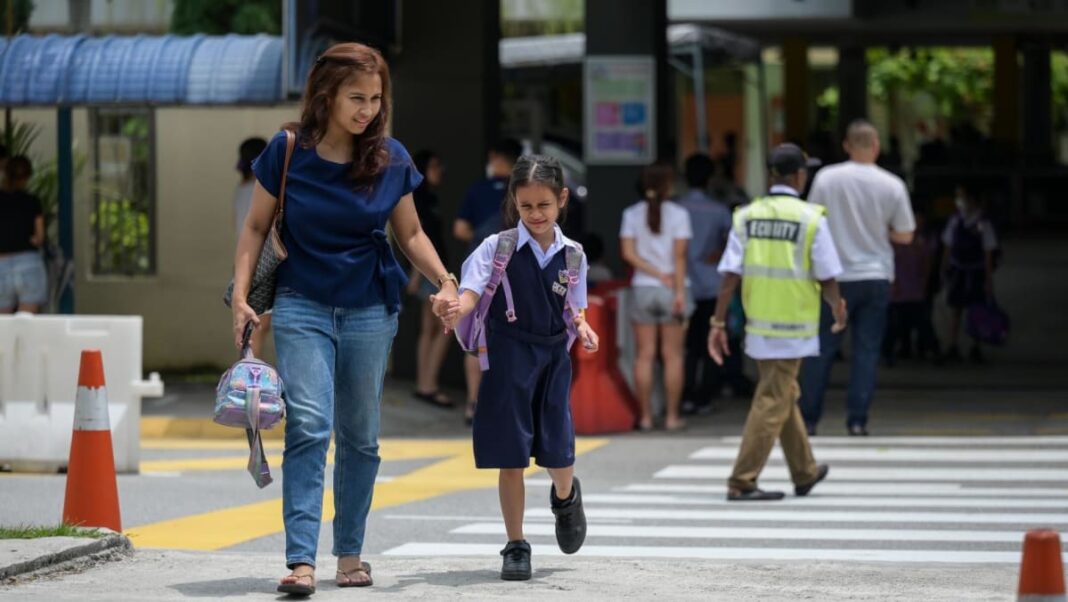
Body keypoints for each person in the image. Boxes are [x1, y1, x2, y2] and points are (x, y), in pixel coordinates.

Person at [230, 42, 458, 596]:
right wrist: (241, 298)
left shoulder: (389, 156)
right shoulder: (287, 151)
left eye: (376, 99)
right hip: (303, 302)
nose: (368, 110)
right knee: (309, 424)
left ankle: (350, 554)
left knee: (361, 437)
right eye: (357, 97)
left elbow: (409, 234)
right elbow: (257, 228)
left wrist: (445, 281)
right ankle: (300, 561)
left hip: (369, 308)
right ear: (327, 94)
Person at [436, 155, 598, 581]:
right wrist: (456, 309)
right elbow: (471, 292)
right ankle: (516, 544)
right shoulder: (497, 247)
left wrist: (583, 328)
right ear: (514, 202)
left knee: (559, 450)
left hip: (553, 358)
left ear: (561, 199)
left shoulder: (573, 255)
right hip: (507, 356)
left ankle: (565, 497)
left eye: (544, 205)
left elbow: (574, 308)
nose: (536, 215)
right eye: (526, 206)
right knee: (511, 456)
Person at [708, 142, 845, 501]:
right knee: (773, 398)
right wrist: (838, 306)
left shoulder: (746, 215)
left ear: (772, 175)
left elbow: (728, 276)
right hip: (794, 326)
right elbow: (827, 275)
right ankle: (742, 480)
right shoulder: (810, 217)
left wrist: (718, 323)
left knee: (784, 393)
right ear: (799, 176)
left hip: (759, 325)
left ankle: (805, 471)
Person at [799, 119, 915, 436]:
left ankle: (808, 420)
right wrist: (880, 232)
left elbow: (811, 223)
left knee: (823, 347)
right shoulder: (892, 184)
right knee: (866, 350)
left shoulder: (826, 178)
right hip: (875, 275)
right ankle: (857, 420)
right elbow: (905, 235)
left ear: (847, 146)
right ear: (876, 146)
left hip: (834, 276)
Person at [453, 138, 522, 424]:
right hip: (515, 274)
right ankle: (509, 403)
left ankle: (473, 402)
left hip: (480, 275)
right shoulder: (522, 192)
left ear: (494, 155)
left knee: (475, 337)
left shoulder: (478, 190)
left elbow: (460, 230)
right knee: (515, 338)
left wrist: (485, 246)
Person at [620, 163, 693, 431]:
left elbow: (628, 253)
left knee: (645, 355)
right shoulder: (679, 214)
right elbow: (680, 256)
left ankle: (646, 417)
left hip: (643, 288)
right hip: (672, 289)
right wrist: (677, 289)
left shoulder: (631, 214)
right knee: (673, 356)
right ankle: (673, 417)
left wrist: (654, 272)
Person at [678, 152, 732, 415]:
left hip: (682, 284)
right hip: (711, 283)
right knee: (711, 342)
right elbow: (732, 245)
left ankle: (685, 394)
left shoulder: (676, 207)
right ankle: (705, 396)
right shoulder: (719, 210)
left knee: (686, 347)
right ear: (710, 178)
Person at [407, 149, 454, 408]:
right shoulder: (420, 200)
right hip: (430, 273)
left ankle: (424, 383)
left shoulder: (428, 198)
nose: (441, 171)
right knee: (444, 327)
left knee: (430, 328)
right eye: (436, 165)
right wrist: (416, 274)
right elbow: (416, 237)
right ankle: (429, 384)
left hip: (433, 272)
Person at [941, 184, 998, 363]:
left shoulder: (983, 222)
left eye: (963, 197)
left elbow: (988, 251)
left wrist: (988, 279)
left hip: (975, 271)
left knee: (977, 310)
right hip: (959, 270)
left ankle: (976, 346)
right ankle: (953, 344)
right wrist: (944, 268)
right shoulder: (956, 220)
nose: (960, 201)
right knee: (956, 310)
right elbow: (948, 246)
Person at [233, 137, 270, 355]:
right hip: (261, 264)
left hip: (243, 262)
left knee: (252, 328)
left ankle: (247, 374)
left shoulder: (241, 188)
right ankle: (249, 379)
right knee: (257, 328)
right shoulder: (261, 188)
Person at [0, 156, 48, 314]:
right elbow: (39, 237)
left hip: (1, 263)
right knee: (27, 325)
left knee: (3, 327)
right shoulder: (33, 201)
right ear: (27, 177)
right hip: (29, 263)